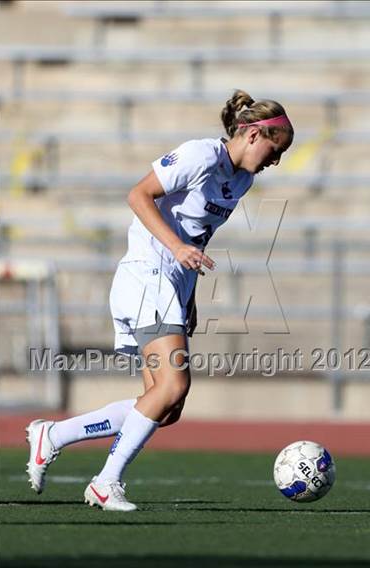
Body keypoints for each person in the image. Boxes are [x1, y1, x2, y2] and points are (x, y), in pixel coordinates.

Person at [26, 89, 294, 512]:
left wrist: (188, 293)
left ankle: (53, 436)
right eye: (275, 150)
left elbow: (197, 236)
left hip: (173, 283)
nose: (275, 161)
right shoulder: (201, 155)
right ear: (254, 134)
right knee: (173, 385)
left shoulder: (241, 179)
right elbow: (138, 195)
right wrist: (175, 250)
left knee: (166, 407)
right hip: (147, 273)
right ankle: (104, 482)